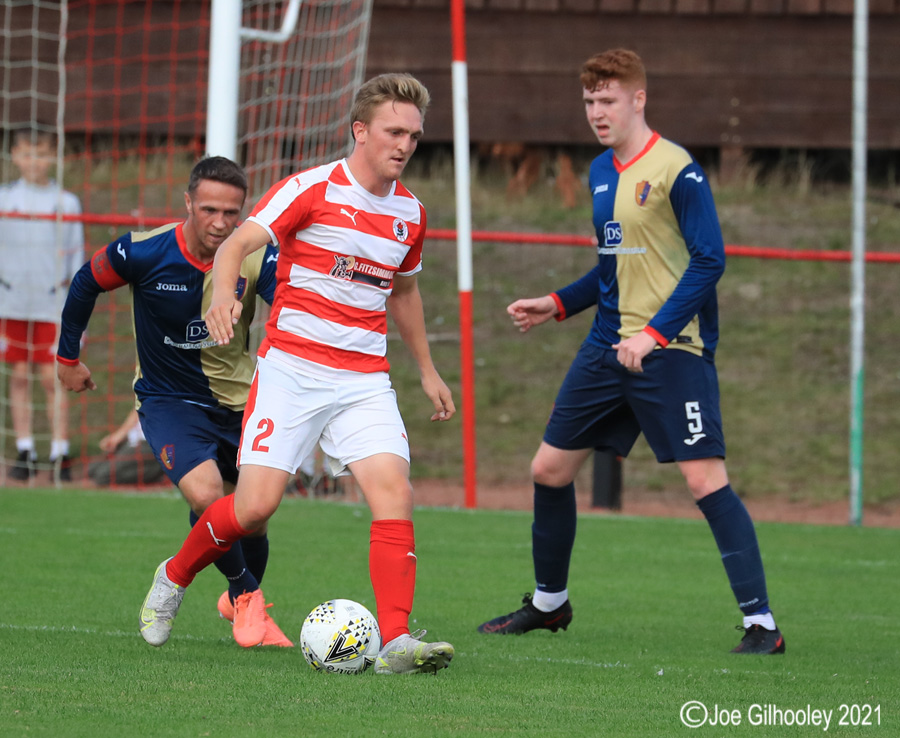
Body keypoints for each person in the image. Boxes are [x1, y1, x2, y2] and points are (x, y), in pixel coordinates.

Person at [138, 73, 458, 675]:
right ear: (360, 131)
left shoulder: (411, 213)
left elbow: (405, 291)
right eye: (394, 131)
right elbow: (236, 244)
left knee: (395, 493)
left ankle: (395, 642)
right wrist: (223, 297)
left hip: (364, 378)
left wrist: (427, 370)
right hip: (292, 372)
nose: (405, 144)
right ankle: (175, 575)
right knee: (254, 509)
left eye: (414, 135)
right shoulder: (310, 189)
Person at [476, 49, 785, 655]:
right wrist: (558, 303)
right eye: (590, 100)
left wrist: (655, 334)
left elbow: (709, 261)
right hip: (607, 347)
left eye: (609, 99)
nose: (597, 111)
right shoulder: (598, 171)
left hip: (671, 351)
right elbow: (613, 268)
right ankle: (549, 604)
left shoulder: (678, 169)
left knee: (705, 481)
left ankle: (762, 626)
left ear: (638, 100)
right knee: (549, 469)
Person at [56, 156, 293, 648]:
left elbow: (288, 303)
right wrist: (67, 358)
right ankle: (245, 595)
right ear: (188, 202)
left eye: (232, 212)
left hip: (241, 400)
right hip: (169, 400)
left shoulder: (254, 255)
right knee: (207, 494)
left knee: (254, 514)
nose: (221, 223)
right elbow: (85, 283)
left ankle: (239, 598)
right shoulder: (144, 250)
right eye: (209, 209)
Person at [0, 127, 83, 482]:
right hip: (13, 302)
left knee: (54, 378)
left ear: (54, 157)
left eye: (42, 153)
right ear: (15, 156)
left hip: (52, 304)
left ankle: (59, 452)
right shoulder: (4, 199)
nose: (34, 161)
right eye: (27, 153)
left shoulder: (65, 202)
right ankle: (24, 448)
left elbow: (76, 258)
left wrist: (74, 306)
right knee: (19, 377)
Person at [87, 408, 165, 486]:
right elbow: (137, 408)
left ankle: (157, 474)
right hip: (132, 442)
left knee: (103, 476)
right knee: (90, 471)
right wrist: (118, 436)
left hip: (151, 444)